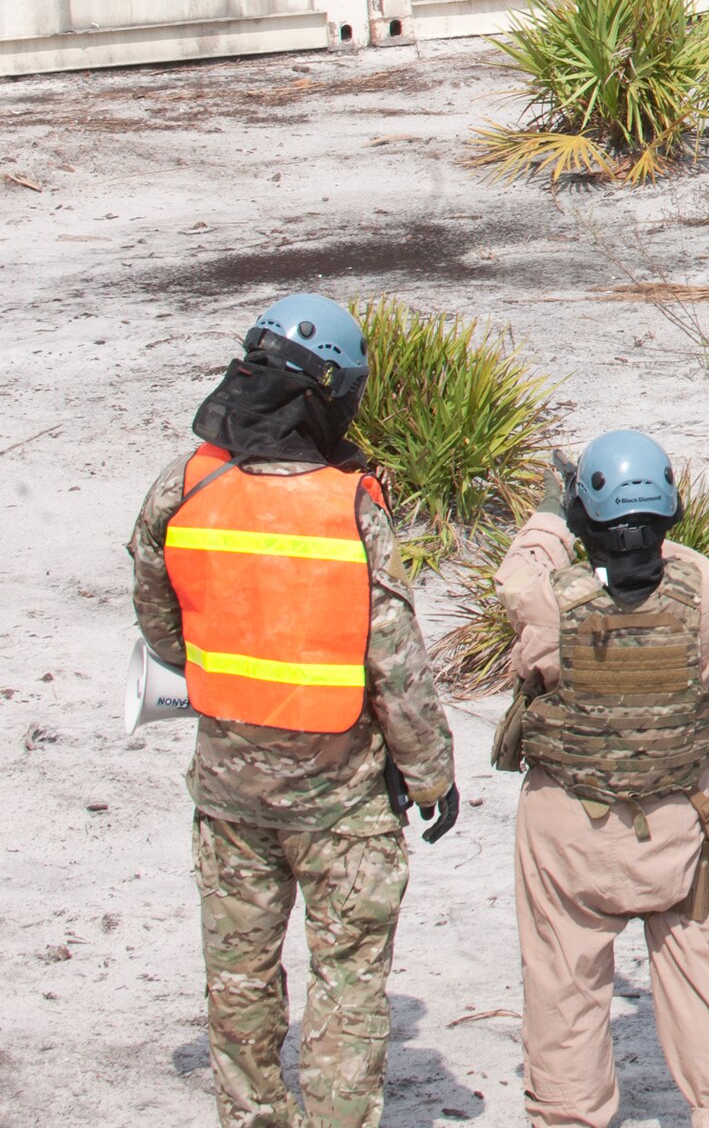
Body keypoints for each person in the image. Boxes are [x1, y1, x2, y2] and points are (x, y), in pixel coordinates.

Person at [128, 292, 458, 1128]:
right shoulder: (350, 506)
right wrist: (430, 775)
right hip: (340, 802)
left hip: (230, 792)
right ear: (324, 393)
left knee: (238, 980)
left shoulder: (188, 480)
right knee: (347, 984)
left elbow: (159, 618)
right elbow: (395, 661)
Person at [491, 429, 709, 1128]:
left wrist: (554, 511)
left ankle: (568, 1116)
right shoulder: (705, 585)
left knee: (565, 980)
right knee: (701, 972)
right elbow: (703, 654)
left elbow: (519, 572)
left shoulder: (548, 599)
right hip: (680, 816)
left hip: (572, 826)